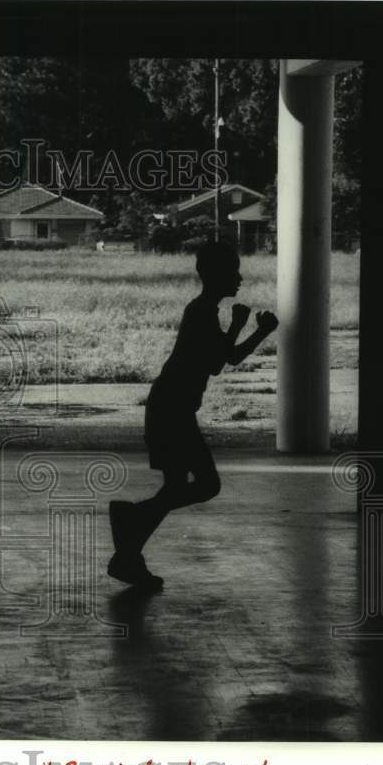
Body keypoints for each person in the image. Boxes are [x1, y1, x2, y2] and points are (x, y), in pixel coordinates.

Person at [108, 240, 278, 589]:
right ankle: (131, 525)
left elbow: (224, 359)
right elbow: (218, 363)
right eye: (234, 271)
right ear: (216, 275)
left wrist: (258, 331)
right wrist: (242, 326)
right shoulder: (201, 311)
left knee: (176, 487)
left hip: (171, 407)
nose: (240, 278)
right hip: (172, 410)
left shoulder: (205, 310)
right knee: (206, 484)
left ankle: (128, 555)